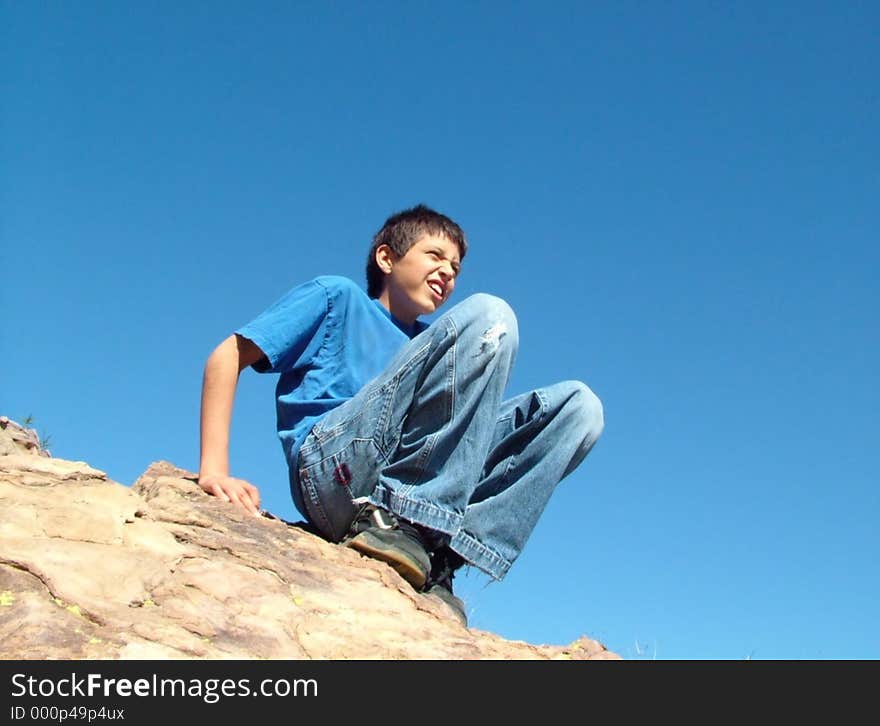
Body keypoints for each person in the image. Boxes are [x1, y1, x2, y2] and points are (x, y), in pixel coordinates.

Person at [198, 204, 604, 626]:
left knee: (580, 409)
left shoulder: (439, 346)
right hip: (335, 470)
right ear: (387, 258)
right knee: (490, 316)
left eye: (456, 267)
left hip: (403, 490)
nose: (448, 272)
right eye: (435, 256)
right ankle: (409, 521)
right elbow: (228, 355)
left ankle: (438, 552)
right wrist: (214, 468)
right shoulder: (339, 298)